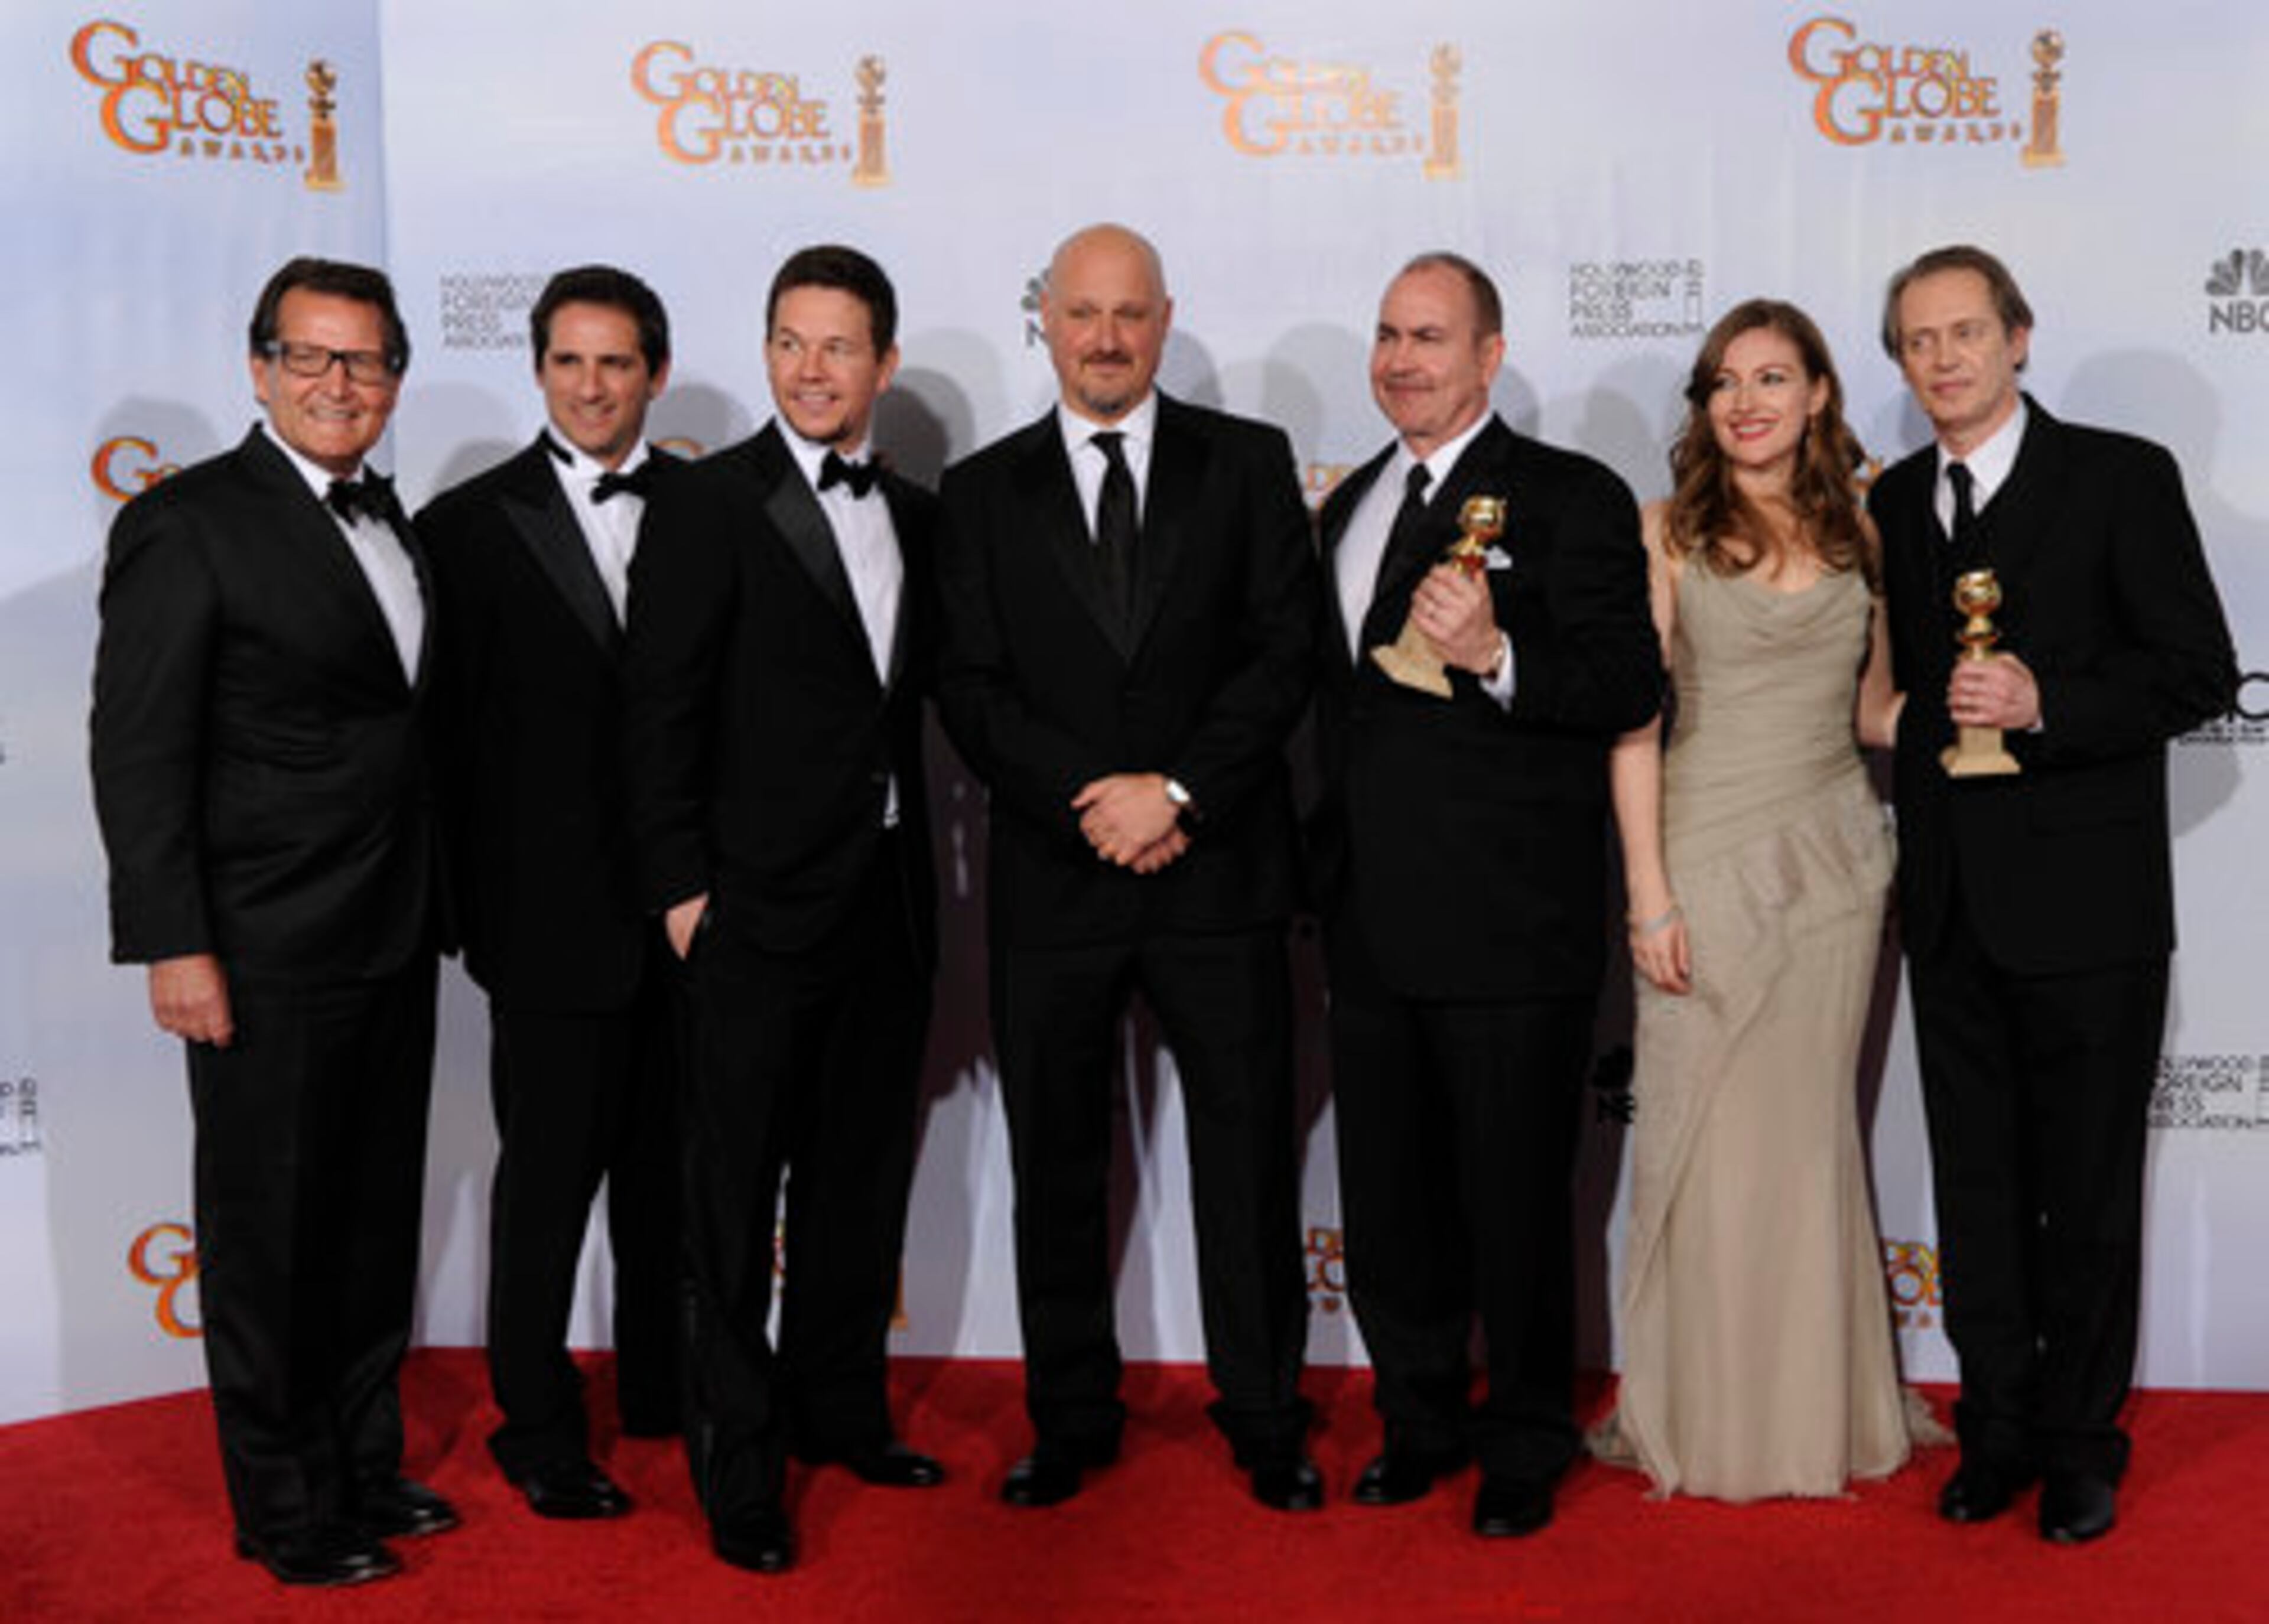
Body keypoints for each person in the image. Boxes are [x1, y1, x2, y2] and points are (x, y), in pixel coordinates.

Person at [935, 222, 1322, 1514]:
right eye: (1083, 313)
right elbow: (973, 689)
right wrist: (1088, 801)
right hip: (1057, 877)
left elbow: (1284, 656)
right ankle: (1070, 1414)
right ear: (1042, 317)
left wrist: (1179, 792)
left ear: (1168, 320)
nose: (1107, 338)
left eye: (1132, 314)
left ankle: (1267, 1409)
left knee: (1248, 1156)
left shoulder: (1250, 463)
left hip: (1220, 874)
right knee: (1055, 1162)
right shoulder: (983, 493)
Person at [89, 256, 454, 1586]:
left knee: (365, 1223)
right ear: (258, 370)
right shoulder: (191, 524)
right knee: (267, 1236)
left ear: (394, 379)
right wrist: (173, 940)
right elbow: (137, 751)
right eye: (309, 357)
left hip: (395, 927)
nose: (336, 384)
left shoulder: (393, 519)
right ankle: (286, 1503)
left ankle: (362, 1460)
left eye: (361, 362)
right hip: (258, 943)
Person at [1870, 245, 2235, 1543]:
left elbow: (2198, 669)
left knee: (2083, 1194)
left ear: (2021, 338)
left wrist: (2049, 705)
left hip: (2092, 914)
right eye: (1920, 340)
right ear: (1901, 362)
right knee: (1975, 1189)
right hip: (1954, 905)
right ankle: (1998, 1428)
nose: (1947, 358)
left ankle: (2083, 1442)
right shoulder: (1897, 501)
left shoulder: (2121, 479)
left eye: (1969, 331)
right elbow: (1894, 700)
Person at [1310, 252, 1662, 1537]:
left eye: (1433, 337)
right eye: (1390, 333)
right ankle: (1418, 1418)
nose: (1404, 358)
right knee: (1391, 1202)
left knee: (1516, 1202)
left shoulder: (1571, 498)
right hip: (1370, 924)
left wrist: (1499, 653)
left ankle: (1523, 1434)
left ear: (1491, 354)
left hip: (1516, 929)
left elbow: (1630, 684)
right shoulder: (1346, 505)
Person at [620, 244, 943, 1576]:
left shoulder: (920, 513)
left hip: (888, 913)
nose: (813, 369)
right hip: (749, 916)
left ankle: (842, 1414)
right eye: (791, 343)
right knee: (730, 1206)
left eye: (840, 347)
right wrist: (685, 896)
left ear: (884, 363)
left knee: (859, 1189)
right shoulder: (706, 503)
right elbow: (656, 713)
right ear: (766, 355)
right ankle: (739, 1472)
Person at [1598, 298, 1920, 1500]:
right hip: (1700, 861)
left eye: (1774, 377)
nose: (1747, 401)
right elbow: (1635, 721)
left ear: (1820, 395)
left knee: (1802, 1145)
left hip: (1837, 864)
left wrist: (1977, 715)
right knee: (1706, 1144)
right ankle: (1705, 1411)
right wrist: (1648, 895)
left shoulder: (1868, 535)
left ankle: (1815, 1410)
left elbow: (1870, 710)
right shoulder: (1662, 532)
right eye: (1725, 381)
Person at [417, 265, 684, 1522]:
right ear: (538, 372)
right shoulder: (464, 529)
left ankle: (665, 1392)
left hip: (693, 923)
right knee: (545, 1190)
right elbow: (440, 746)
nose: (592, 386)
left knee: (673, 1179)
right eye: (570, 363)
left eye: (616, 364)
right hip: (545, 931)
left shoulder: (707, 508)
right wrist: (477, 924)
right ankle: (536, 1422)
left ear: (655, 375)